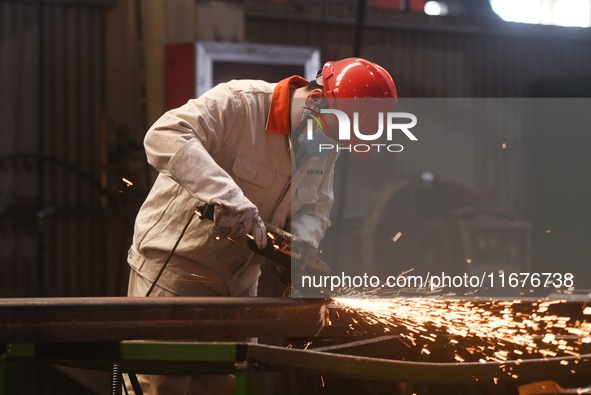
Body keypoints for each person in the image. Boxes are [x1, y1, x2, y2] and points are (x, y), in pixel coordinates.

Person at [124, 57, 397, 395]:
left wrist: (299, 250)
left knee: (223, 388)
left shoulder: (324, 141)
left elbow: (314, 209)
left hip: (240, 285)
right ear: (314, 101)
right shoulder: (240, 104)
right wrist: (227, 197)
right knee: (164, 387)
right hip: (177, 273)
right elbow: (164, 135)